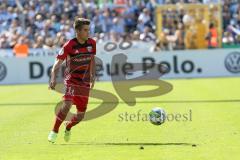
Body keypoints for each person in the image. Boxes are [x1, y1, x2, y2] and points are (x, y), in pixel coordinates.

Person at [48, 18, 96, 143]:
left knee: (80, 116)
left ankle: (68, 126)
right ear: (78, 31)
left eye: (88, 30)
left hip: (84, 83)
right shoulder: (69, 45)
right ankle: (54, 131)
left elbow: (92, 59)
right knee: (67, 105)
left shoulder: (92, 43)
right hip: (71, 80)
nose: (88, 32)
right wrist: (53, 77)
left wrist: (93, 74)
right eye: (85, 30)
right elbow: (57, 63)